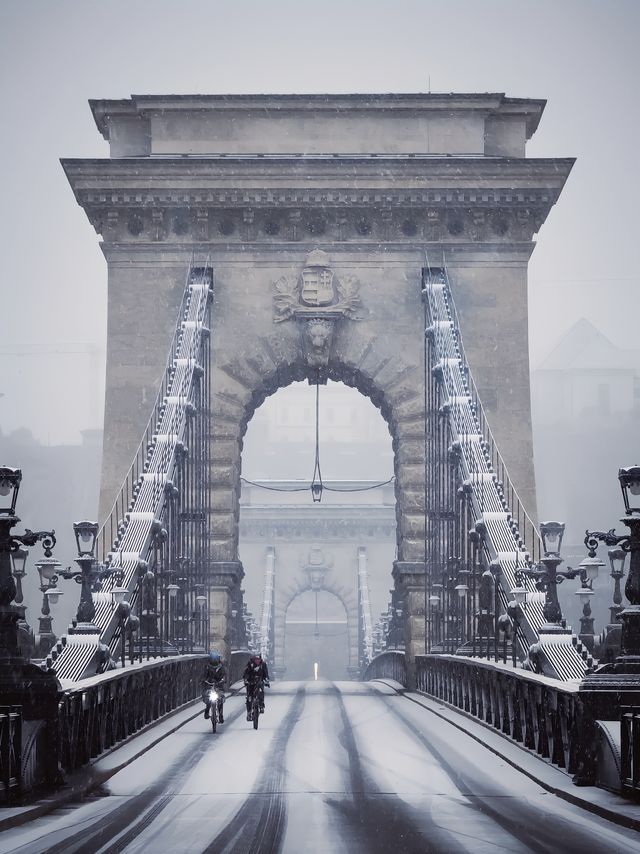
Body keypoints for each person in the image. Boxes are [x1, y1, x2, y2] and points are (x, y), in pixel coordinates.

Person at [243, 654, 270, 720]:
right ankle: (249, 712)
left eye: (258, 659)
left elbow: (265, 673)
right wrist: (246, 680)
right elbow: (246, 673)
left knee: (261, 692)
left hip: (259, 682)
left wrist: (266, 680)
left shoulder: (263, 664)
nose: (257, 661)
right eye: (256, 659)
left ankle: (261, 706)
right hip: (250, 682)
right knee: (249, 697)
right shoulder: (249, 664)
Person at [201, 651, 226, 722]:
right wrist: (204, 680)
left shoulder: (221, 667)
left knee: (220, 699)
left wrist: (222, 680)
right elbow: (204, 675)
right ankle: (207, 711)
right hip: (210, 684)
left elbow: (224, 675)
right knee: (208, 698)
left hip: (218, 685)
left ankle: (220, 715)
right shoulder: (207, 667)